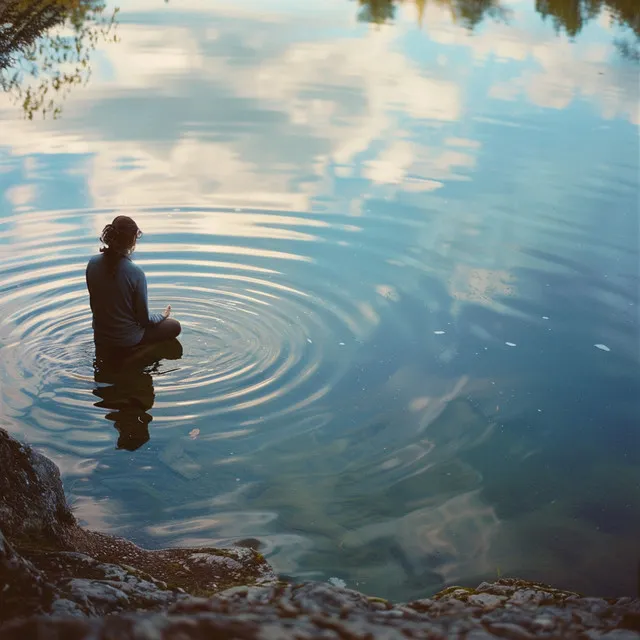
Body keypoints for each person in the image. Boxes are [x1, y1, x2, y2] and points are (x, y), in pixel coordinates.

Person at [86, 215, 181, 349]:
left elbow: (94, 305)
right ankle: (138, 353)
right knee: (174, 326)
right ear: (132, 240)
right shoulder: (135, 272)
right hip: (127, 340)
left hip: (101, 337)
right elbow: (144, 320)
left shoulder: (92, 264)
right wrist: (162, 316)